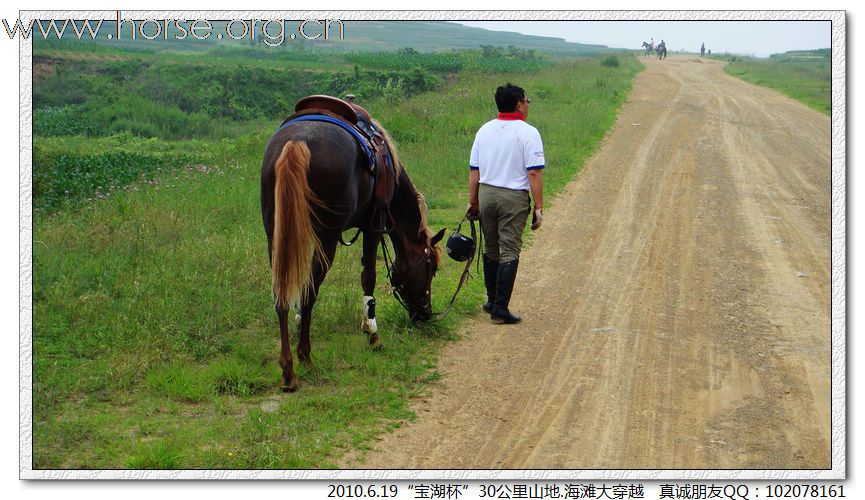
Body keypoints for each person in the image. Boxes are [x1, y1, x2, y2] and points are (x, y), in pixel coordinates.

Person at [467, 83, 545, 325]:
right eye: (526, 101)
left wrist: (473, 202)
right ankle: (500, 309)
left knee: (491, 249)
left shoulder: (484, 130)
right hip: (513, 198)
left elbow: (474, 172)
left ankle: (491, 300)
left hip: (487, 195)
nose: (527, 105)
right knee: (510, 250)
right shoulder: (529, 133)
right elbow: (533, 173)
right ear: (519, 104)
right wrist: (539, 207)